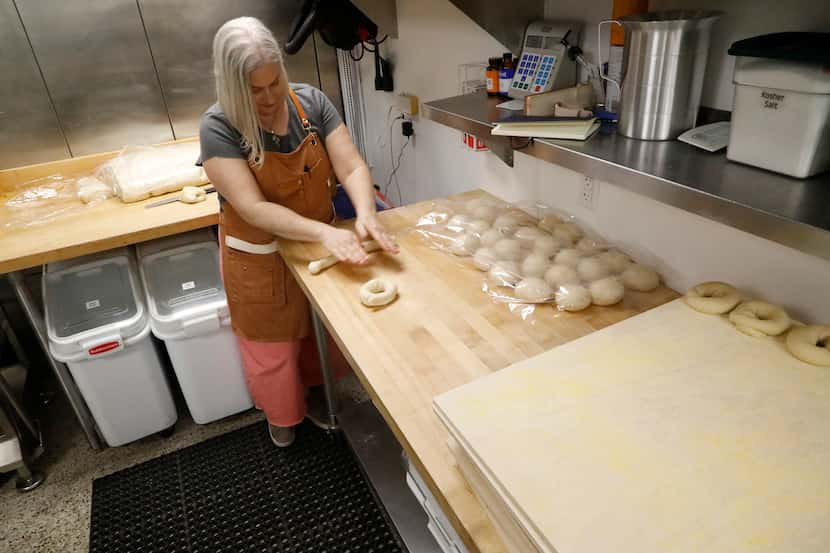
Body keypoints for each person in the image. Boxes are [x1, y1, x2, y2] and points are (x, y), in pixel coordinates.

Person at [200, 17, 398, 447]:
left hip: (317, 247)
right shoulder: (217, 128)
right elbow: (252, 208)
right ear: (232, 86)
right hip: (259, 257)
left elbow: (350, 165)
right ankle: (283, 419)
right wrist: (325, 234)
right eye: (255, 90)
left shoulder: (310, 104)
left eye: (275, 83)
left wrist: (366, 212)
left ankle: (320, 390)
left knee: (320, 333)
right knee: (273, 351)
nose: (270, 97)